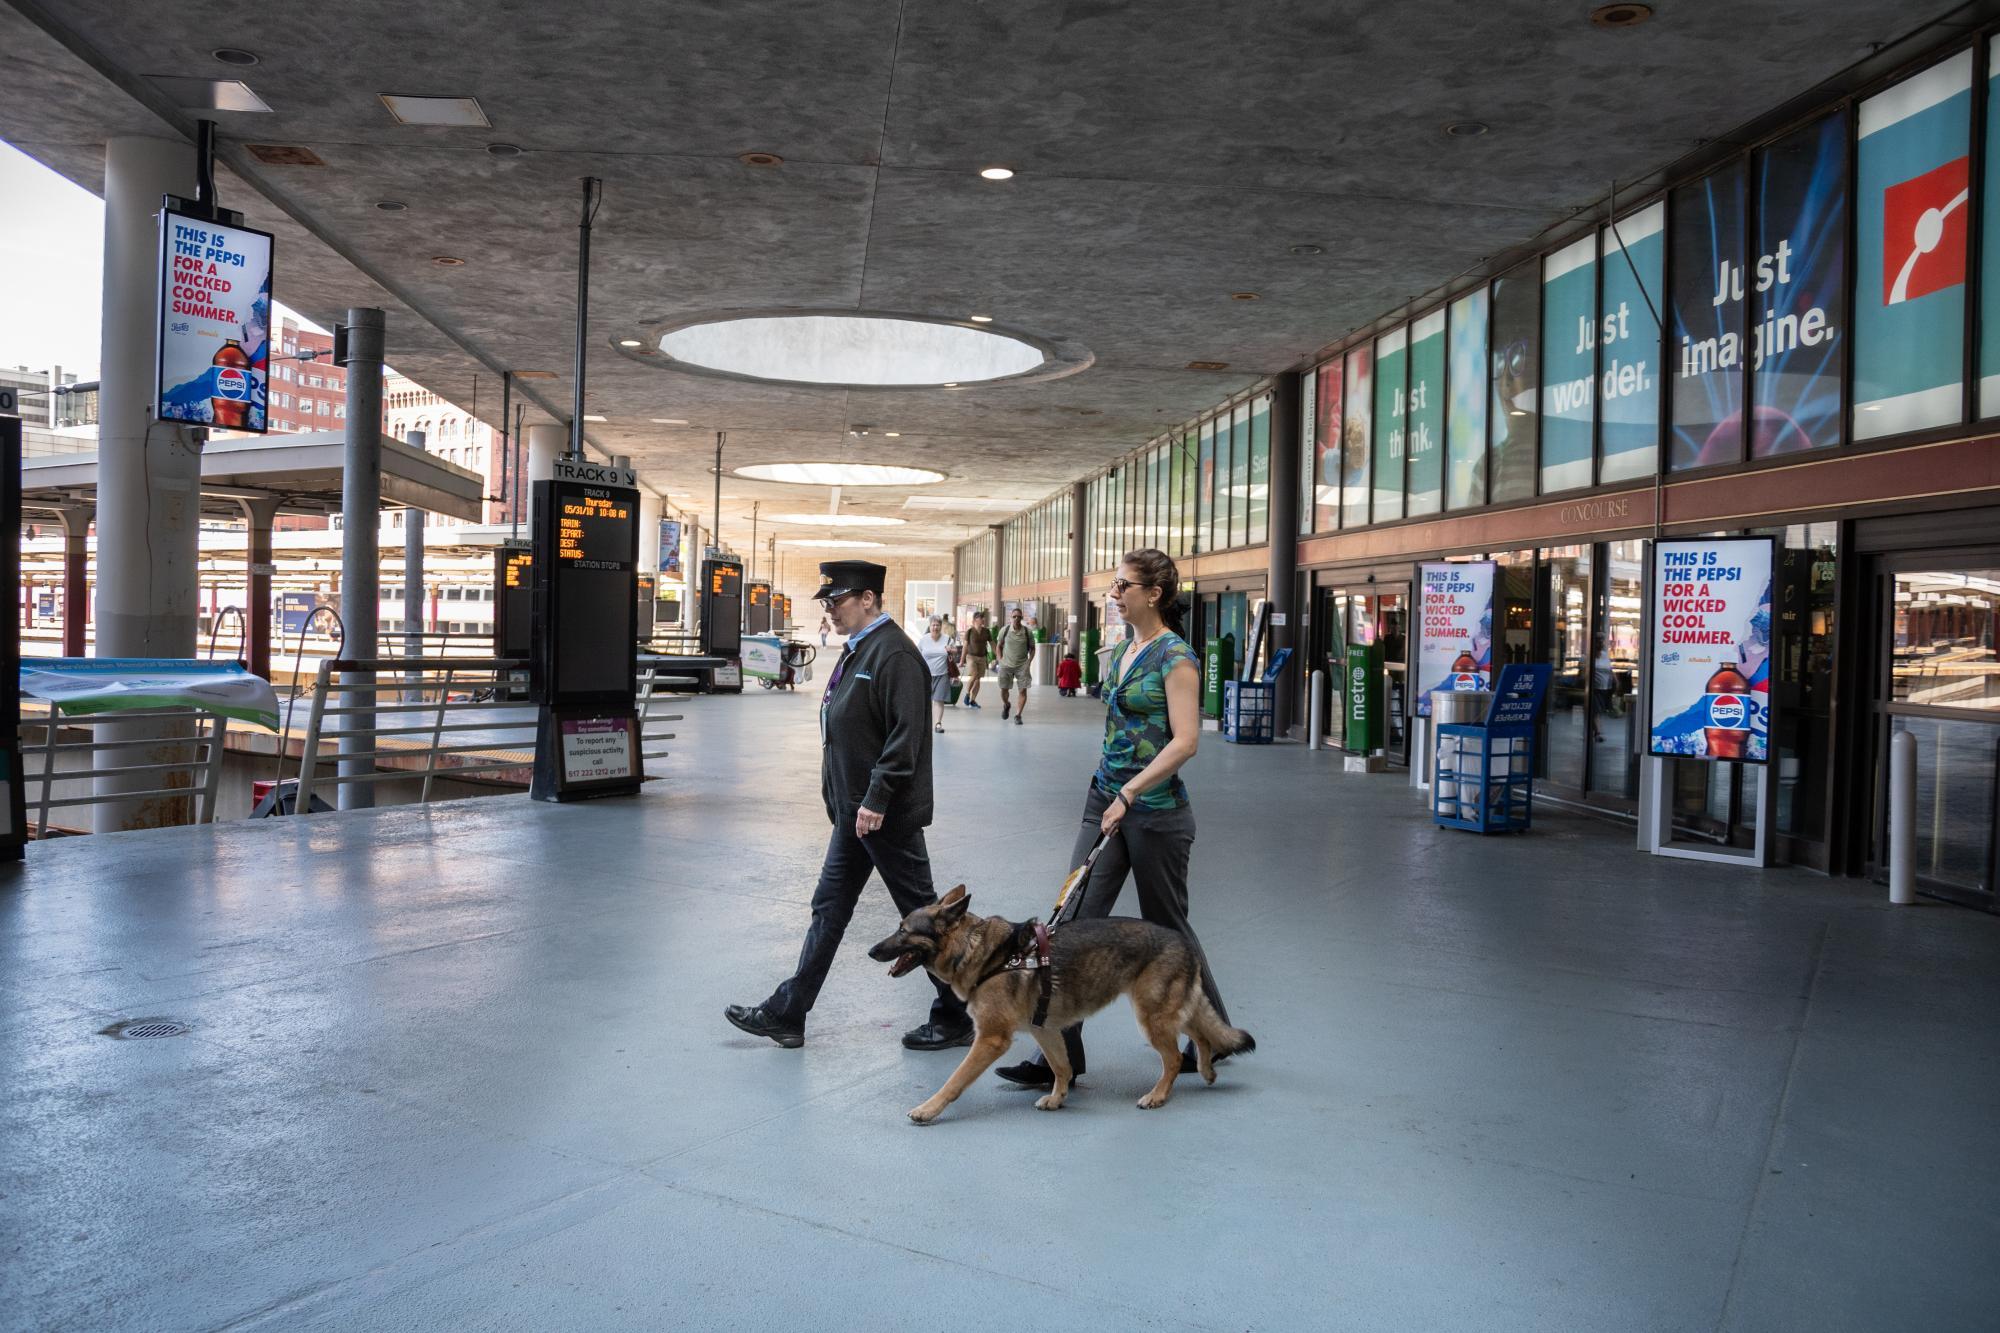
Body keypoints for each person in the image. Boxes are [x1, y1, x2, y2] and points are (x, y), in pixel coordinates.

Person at [996, 548, 1231, 1088]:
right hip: (1104, 799)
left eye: (1124, 586)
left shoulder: (1176, 659)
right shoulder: (1127, 647)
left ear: (1153, 593)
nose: (1115, 594)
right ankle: (1062, 1056)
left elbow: (1186, 741)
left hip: (1154, 812)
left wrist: (1131, 790)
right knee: (1071, 922)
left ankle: (1214, 1038)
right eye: (1114, 586)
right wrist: (1112, 790)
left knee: (1168, 928)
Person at [726, 560, 972, 1052]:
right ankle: (788, 1012)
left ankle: (957, 1014)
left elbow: (906, 740)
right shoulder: (859, 650)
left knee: (925, 919)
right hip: (854, 814)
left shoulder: (896, 655)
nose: (831, 610)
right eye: (827, 602)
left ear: (867, 599)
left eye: (837, 600)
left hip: (885, 815)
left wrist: (877, 799)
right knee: (830, 909)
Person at [994, 606, 1036, 725]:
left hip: (1022, 665)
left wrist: (1029, 661)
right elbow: (998, 646)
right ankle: (1006, 704)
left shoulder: (1027, 632)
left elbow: (1033, 649)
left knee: (1023, 690)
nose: (1016, 618)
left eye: (1018, 616)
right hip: (1006, 664)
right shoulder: (1005, 630)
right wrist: (999, 659)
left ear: (1021, 618)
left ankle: (1018, 715)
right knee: (1003, 689)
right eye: (1014, 616)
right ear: (1010, 618)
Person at [918, 615, 953, 733]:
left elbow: (954, 651)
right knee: (924, 700)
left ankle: (938, 723)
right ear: (930, 626)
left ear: (941, 626)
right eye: (933, 625)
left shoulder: (947, 639)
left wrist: (951, 650)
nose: (935, 627)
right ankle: (923, 724)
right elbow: (917, 654)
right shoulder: (924, 639)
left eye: (938, 625)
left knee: (939, 700)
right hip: (925, 675)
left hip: (942, 674)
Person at [961, 609, 992, 709]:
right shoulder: (969, 631)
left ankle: (973, 700)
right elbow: (965, 646)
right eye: (980, 618)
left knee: (978, 680)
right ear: (975, 620)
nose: (983, 619)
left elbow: (993, 644)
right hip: (971, 657)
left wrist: (999, 657)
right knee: (974, 675)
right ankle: (967, 694)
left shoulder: (986, 631)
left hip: (982, 658)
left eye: (983, 617)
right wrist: (961, 660)